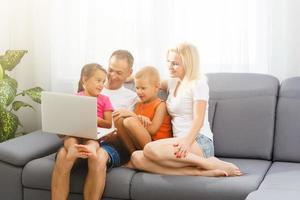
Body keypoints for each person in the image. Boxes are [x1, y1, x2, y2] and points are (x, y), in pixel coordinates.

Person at [130, 42, 242, 177]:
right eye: (168, 62)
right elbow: (151, 82)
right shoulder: (172, 82)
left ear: (188, 63)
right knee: (136, 157)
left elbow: (198, 120)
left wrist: (186, 141)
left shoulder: (198, 83)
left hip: (198, 141)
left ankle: (208, 163)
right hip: (179, 143)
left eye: (175, 63)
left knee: (149, 149)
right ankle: (198, 172)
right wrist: (126, 77)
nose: (170, 67)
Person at [51, 63, 115, 200]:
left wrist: (95, 119)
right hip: (75, 132)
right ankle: (72, 150)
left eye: (103, 81)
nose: (101, 84)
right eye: (98, 80)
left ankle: (90, 149)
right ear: (85, 80)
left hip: (93, 133)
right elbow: (66, 120)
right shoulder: (75, 98)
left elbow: (108, 124)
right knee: (70, 138)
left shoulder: (105, 100)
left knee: (92, 140)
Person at [113, 66, 172, 154]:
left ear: (156, 87)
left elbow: (152, 130)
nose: (139, 92)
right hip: (140, 143)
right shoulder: (138, 105)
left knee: (129, 121)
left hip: (157, 145)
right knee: (118, 119)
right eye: (137, 88)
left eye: (143, 88)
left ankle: (139, 156)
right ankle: (132, 154)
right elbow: (133, 128)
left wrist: (132, 115)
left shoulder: (161, 105)